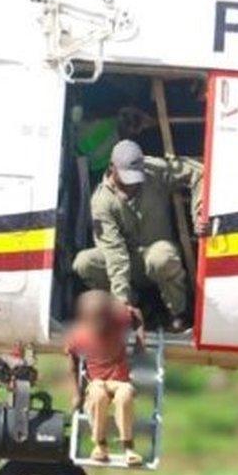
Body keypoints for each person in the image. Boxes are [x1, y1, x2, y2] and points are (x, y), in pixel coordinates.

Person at [73, 139, 205, 332]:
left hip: (158, 252)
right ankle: (139, 307)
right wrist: (122, 302)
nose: (132, 184)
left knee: (162, 257)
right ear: (112, 168)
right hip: (128, 262)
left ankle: (178, 312)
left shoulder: (154, 169)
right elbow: (114, 253)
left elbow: (198, 172)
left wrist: (198, 212)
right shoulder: (101, 202)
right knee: (83, 263)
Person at [65, 290, 146, 465]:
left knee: (125, 394)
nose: (101, 324)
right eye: (95, 319)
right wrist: (77, 393)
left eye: (104, 317)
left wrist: (140, 339)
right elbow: (72, 362)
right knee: (97, 394)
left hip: (120, 382)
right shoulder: (80, 334)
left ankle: (128, 446)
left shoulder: (120, 320)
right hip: (97, 382)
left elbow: (137, 314)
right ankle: (100, 444)